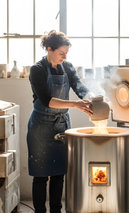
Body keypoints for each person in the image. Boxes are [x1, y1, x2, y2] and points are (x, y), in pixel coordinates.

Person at [27, 30, 93, 213]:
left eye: (66, 53)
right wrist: (76, 104)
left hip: (61, 124)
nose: (64, 57)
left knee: (58, 173)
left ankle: (56, 210)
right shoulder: (37, 69)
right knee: (41, 175)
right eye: (61, 53)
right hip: (41, 126)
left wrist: (94, 99)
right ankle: (39, 211)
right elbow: (47, 100)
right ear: (49, 48)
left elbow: (79, 87)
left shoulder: (68, 67)